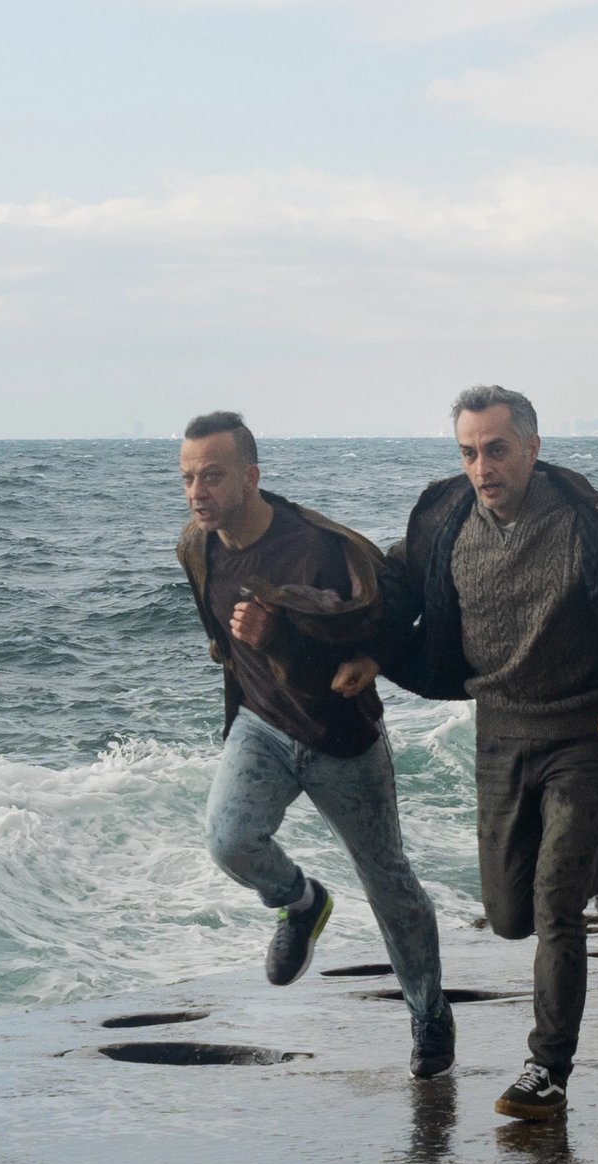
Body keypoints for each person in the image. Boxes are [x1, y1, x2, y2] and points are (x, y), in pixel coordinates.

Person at [370, 385, 598, 1120]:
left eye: (497, 449)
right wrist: (352, 641)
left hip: (589, 732)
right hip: (502, 730)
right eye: (469, 452)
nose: (482, 467)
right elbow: (396, 586)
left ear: (533, 448)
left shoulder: (591, 527)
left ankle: (547, 1072)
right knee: (509, 915)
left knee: (552, 906)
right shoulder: (448, 519)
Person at [175, 411, 452, 1077]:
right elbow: (223, 640)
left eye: (212, 475)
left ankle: (429, 1014)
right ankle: (302, 904)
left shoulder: (318, 548)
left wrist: (354, 655)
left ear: (251, 476)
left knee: (389, 884)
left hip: (340, 737)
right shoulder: (198, 546)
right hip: (263, 728)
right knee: (228, 838)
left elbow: (391, 610)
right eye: (186, 477)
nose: (196, 491)